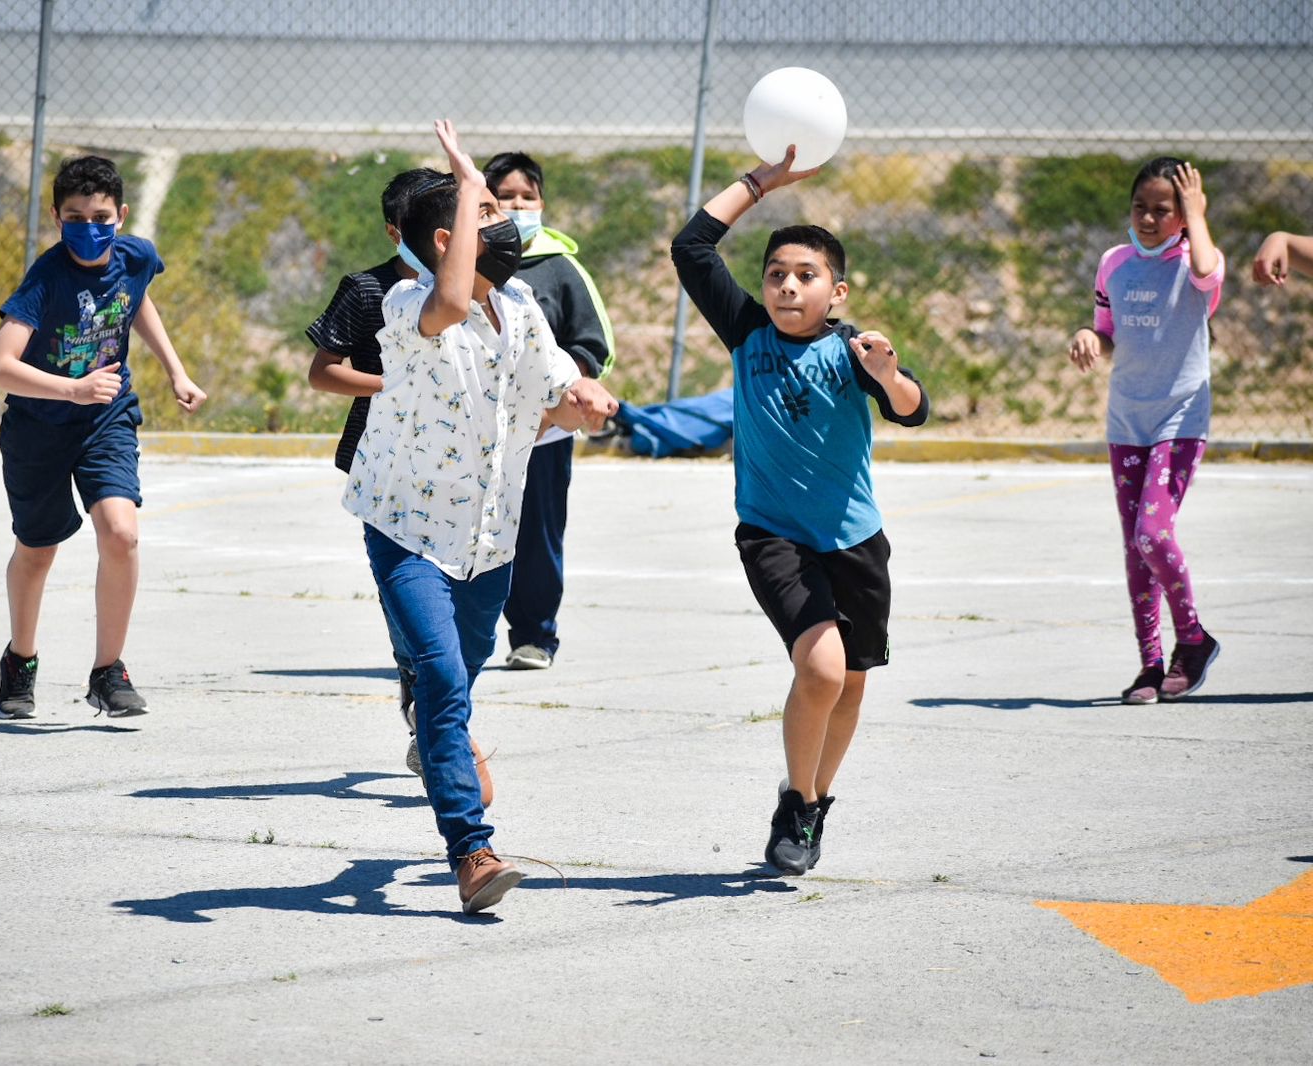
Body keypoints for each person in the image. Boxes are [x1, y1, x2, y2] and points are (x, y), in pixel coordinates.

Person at [344, 121, 617, 913]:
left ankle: (439, 730)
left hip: (488, 542)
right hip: (405, 530)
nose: (509, 225)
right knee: (439, 678)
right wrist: (466, 184)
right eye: (489, 215)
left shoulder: (527, 307)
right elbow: (454, 296)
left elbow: (555, 399)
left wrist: (585, 406)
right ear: (447, 236)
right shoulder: (405, 305)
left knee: (450, 684)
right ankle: (472, 851)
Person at [670, 146, 929, 877]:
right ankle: (796, 808)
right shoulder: (747, 334)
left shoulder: (853, 352)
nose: (787, 286)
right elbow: (690, 246)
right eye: (776, 274)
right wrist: (761, 183)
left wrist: (887, 373)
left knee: (850, 683)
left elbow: (913, 408)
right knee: (820, 668)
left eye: (806, 276)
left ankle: (811, 802)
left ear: (837, 292)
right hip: (773, 536)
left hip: (855, 542)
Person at [0, 155, 206, 720]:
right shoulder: (47, 278)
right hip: (38, 429)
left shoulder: (136, 255)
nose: (89, 225)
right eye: (75, 215)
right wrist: (71, 389)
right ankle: (21, 660)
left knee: (121, 534)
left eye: (101, 214)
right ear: (58, 217)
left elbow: (136, 302)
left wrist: (175, 370)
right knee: (37, 552)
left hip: (106, 418)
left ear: (121, 215)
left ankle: (109, 671)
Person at [304, 167, 493, 802]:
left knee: (458, 627)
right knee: (408, 615)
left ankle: (436, 711)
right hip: (384, 472)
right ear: (402, 231)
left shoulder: (483, 292)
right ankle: (435, 721)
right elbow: (322, 373)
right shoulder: (367, 290)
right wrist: (398, 385)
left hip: (457, 480)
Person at [1068, 158, 1224, 705]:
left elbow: (1206, 272)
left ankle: (1194, 638)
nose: (1151, 218)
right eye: (1142, 208)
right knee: (1136, 549)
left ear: (1184, 215)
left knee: (1153, 534)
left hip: (1180, 419)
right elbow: (1107, 331)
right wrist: (1091, 336)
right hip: (1127, 420)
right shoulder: (1115, 263)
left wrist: (1198, 216)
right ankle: (1150, 666)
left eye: (1165, 210)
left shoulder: (1196, 258)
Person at [481, 151, 616, 671]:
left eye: (527, 196)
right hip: (472, 431)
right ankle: (457, 637)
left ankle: (534, 636)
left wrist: (551, 404)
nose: (517, 205)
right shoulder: (460, 267)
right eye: (505, 197)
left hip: (543, 436)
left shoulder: (561, 269)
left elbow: (592, 346)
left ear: (542, 203)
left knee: (536, 533)